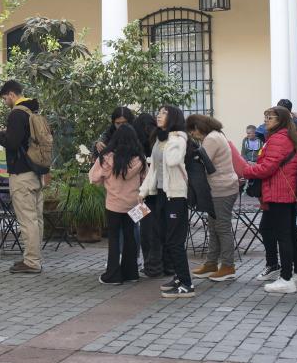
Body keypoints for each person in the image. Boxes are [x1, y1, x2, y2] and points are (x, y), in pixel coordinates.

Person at [235, 106, 297, 294]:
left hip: (278, 192)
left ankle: (286, 278)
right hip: (284, 192)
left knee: (283, 236)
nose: (266, 120)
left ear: (281, 120)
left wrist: (245, 170)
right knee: (289, 234)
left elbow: (268, 167)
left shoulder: (278, 139)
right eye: (265, 116)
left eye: (271, 117)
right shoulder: (286, 137)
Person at [139, 105, 194, 298]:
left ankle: (187, 283)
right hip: (161, 194)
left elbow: (172, 160)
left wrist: (170, 136)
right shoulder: (159, 140)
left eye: (164, 113)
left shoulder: (178, 139)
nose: (158, 115)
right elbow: (153, 169)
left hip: (176, 195)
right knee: (164, 237)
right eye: (159, 112)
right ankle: (179, 277)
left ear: (173, 118)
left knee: (175, 240)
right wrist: (143, 191)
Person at [0, 80, 45, 273]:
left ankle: (31, 262)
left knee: (27, 219)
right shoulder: (33, 112)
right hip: (36, 171)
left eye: (5, 98)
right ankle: (35, 257)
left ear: (11, 94)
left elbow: (13, 143)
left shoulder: (16, 114)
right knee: (36, 218)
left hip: (21, 173)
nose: (5, 101)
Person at [89, 125, 146, 285]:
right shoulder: (140, 158)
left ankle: (113, 275)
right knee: (130, 236)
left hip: (114, 203)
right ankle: (131, 273)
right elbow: (145, 179)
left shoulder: (107, 158)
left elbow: (94, 178)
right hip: (134, 203)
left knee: (114, 238)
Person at [187, 115, 238, 282]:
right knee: (214, 227)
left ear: (200, 126)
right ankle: (211, 264)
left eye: (192, 130)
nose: (192, 134)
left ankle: (228, 266)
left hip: (221, 188)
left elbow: (200, 163)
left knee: (221, 227)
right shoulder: (216, 135)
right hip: (220, 187)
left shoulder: (211, 139)